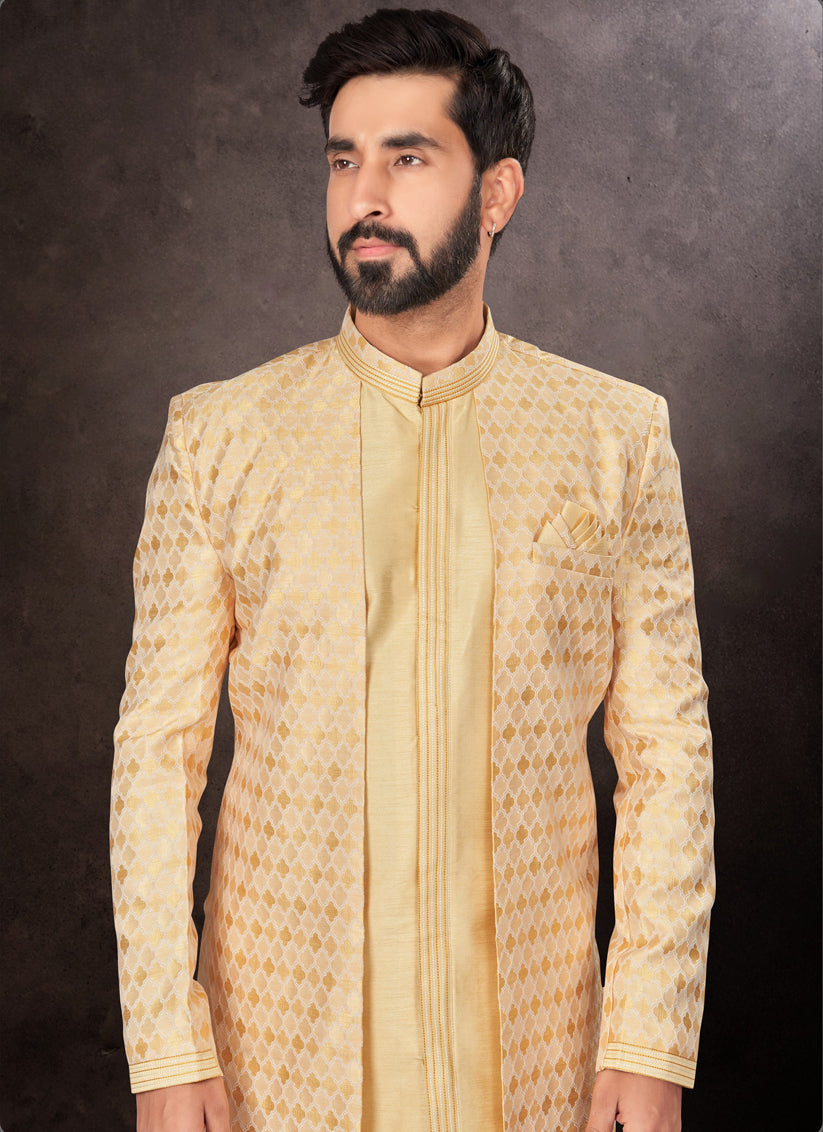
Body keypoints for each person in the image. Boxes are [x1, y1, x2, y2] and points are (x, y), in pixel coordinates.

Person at [110, 9, 715, 1132]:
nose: (364, 197)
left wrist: (649, 1037)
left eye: (408, 158)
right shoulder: (220, 437)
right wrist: (164, 1044)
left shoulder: (613, 437)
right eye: (343, 161)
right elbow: (155, 759)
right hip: (277, 1069)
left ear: (497, 193)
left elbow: (667, 755)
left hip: (538, 1064)